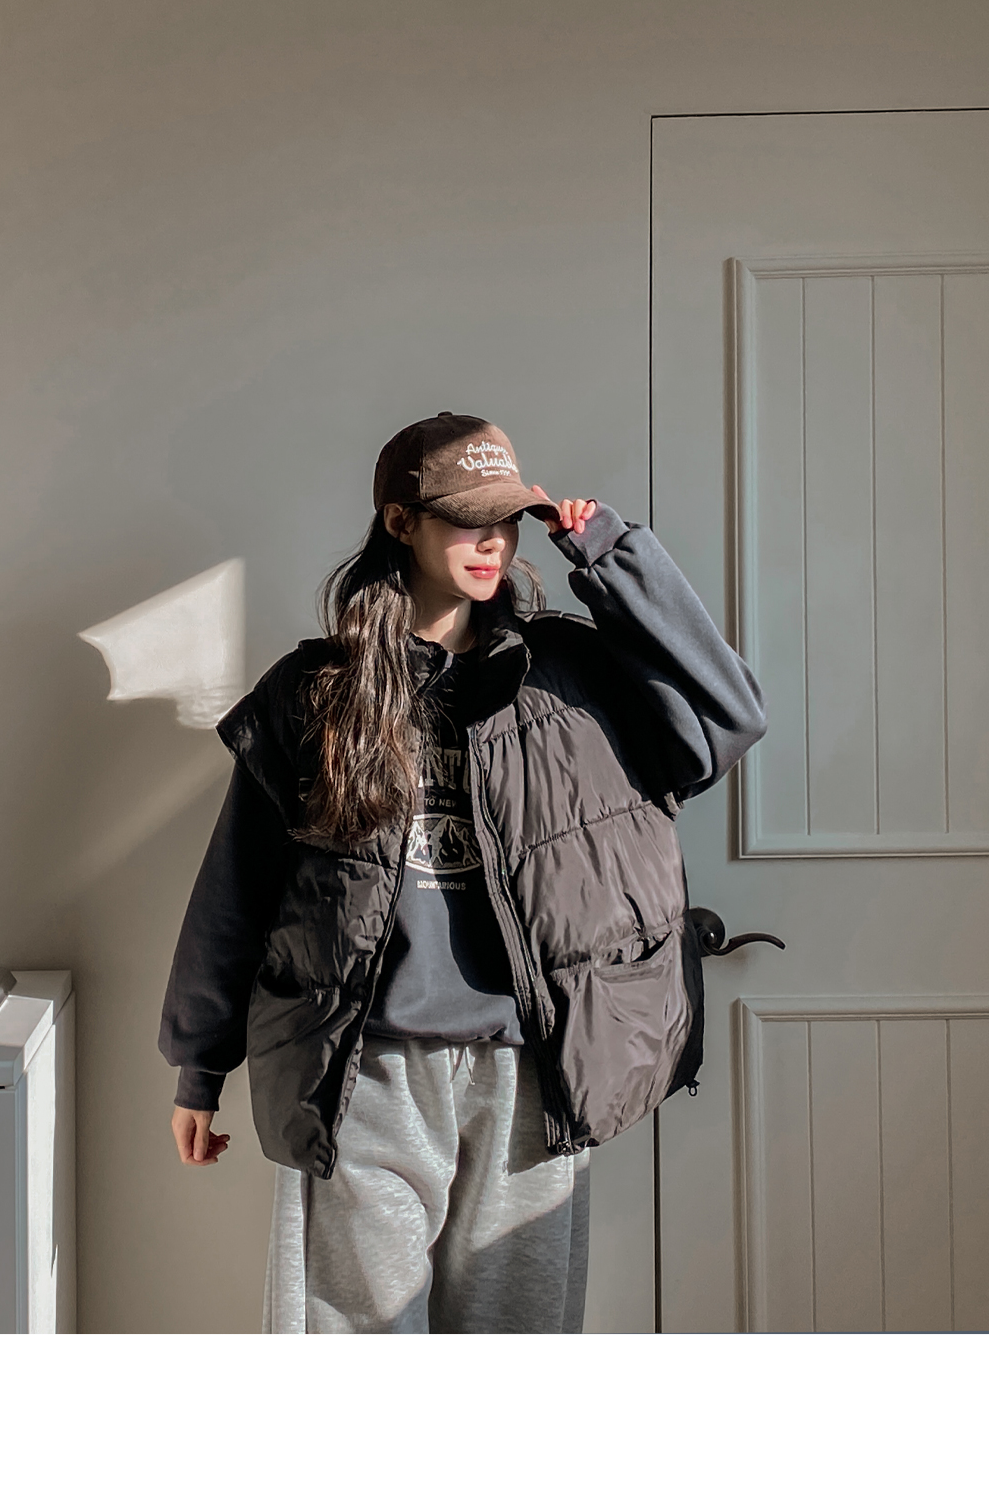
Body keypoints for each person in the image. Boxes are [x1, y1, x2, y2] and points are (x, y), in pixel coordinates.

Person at [159, 410, 767, 1334]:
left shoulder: (571, 674)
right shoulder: (316, 691)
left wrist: (614, 557)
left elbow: (728, 716)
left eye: (507, 520)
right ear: (401, 522)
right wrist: (199, 1067)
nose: (493, 543)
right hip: (365, 1070)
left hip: (532, 1068)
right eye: (465, 520)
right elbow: (237, 888)